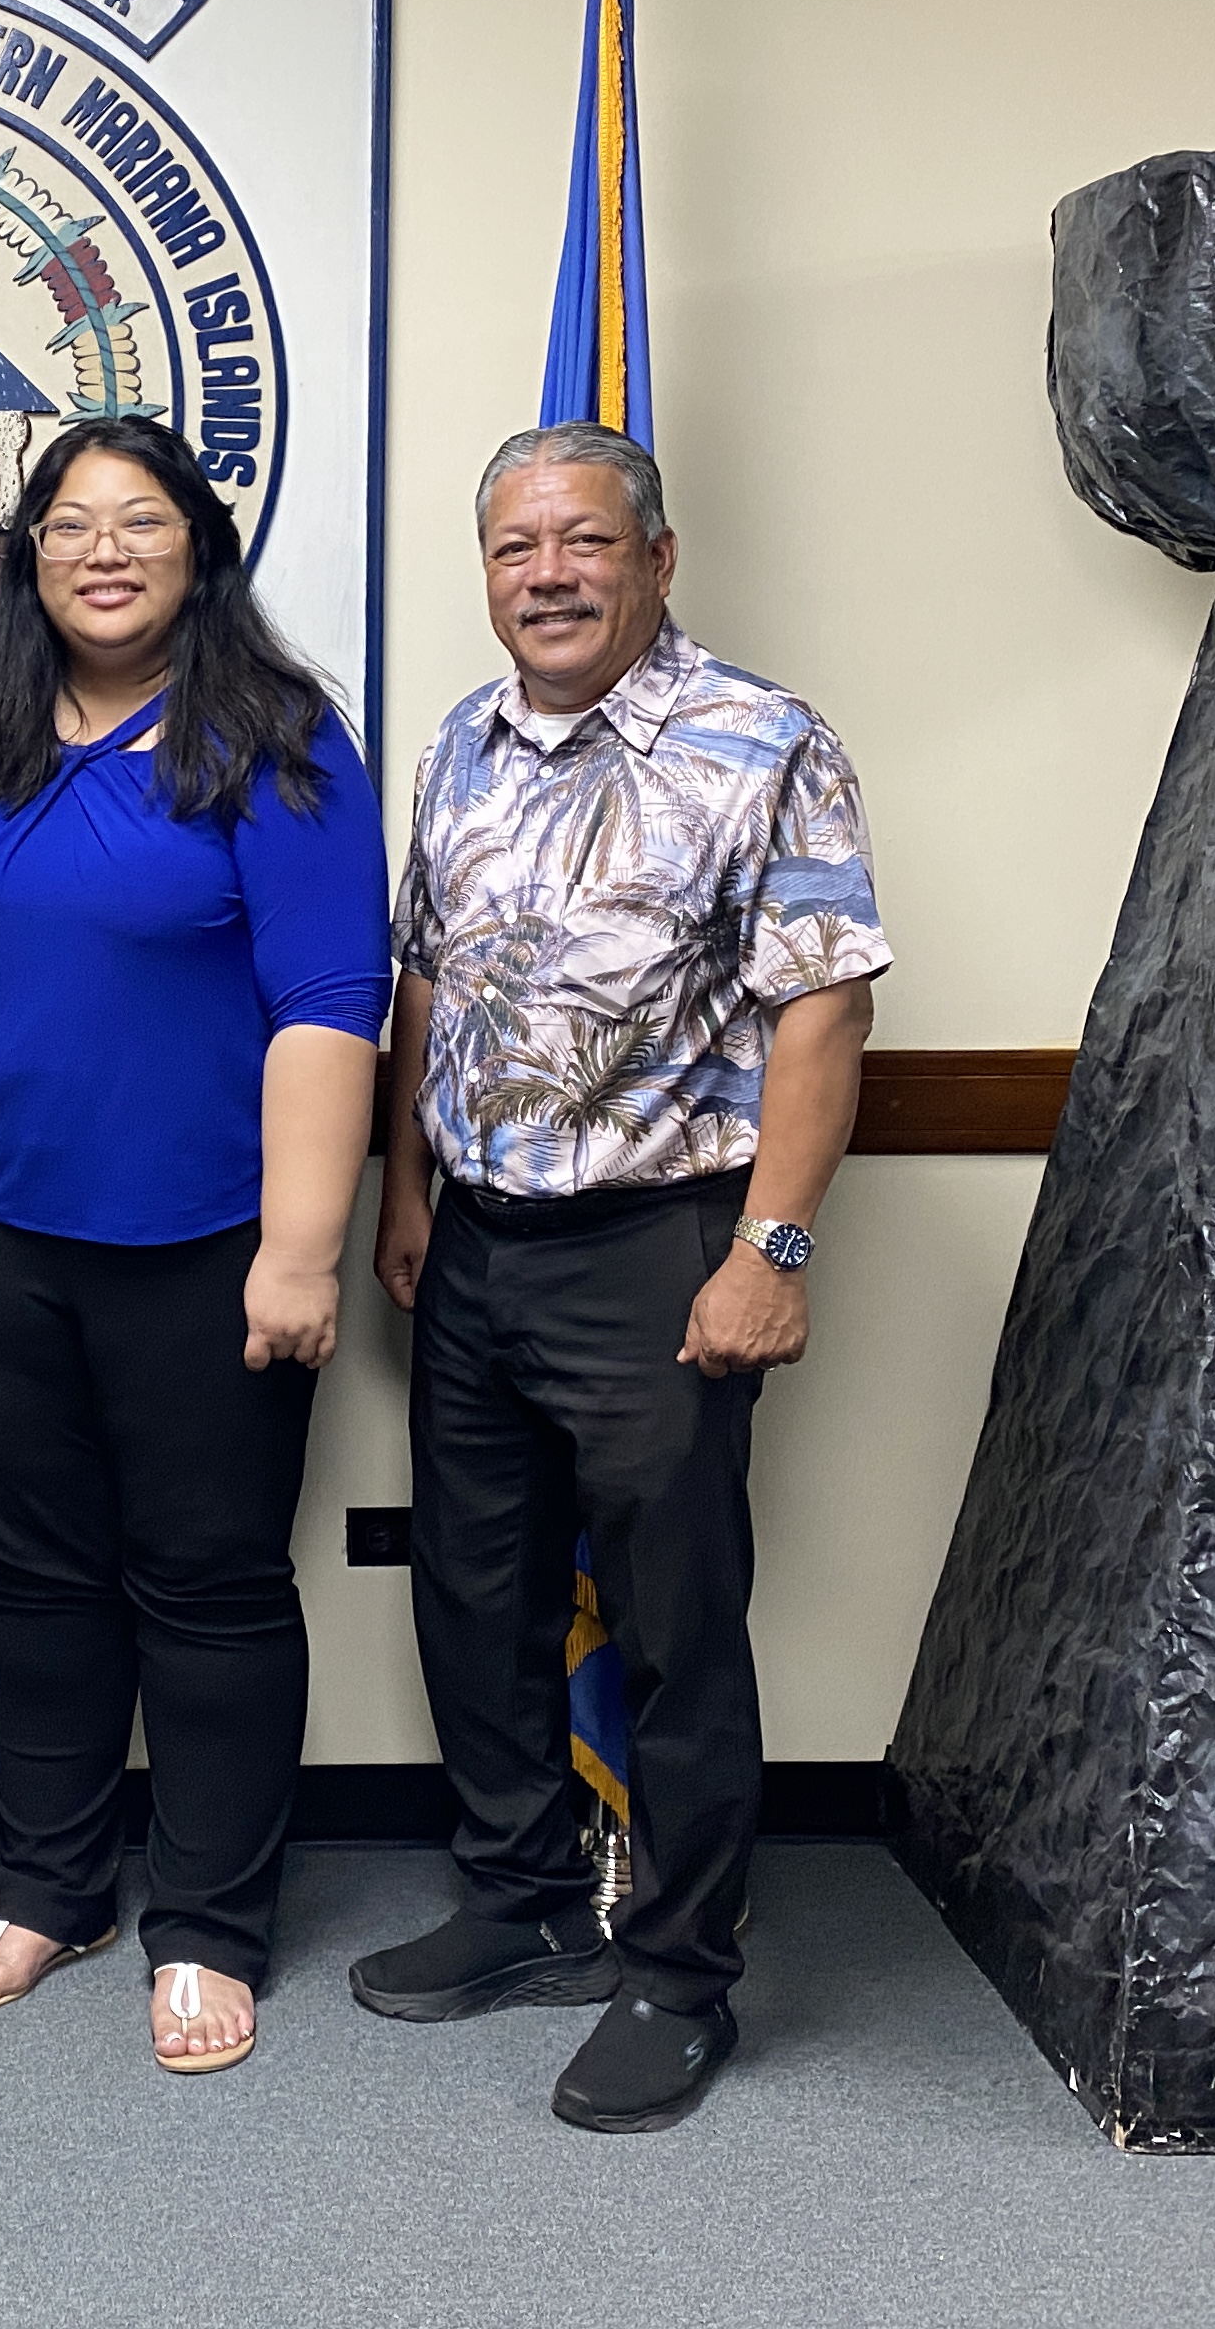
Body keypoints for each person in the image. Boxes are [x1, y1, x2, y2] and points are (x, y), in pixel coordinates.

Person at [358, 420, 885, 2133]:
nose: (548, 575)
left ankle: (676, 1972)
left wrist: (772, 1250)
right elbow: (424, 977)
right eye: (515, 549)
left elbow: (823, 1006)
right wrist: (408, 1187)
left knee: (673, 1631)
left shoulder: (765, 742)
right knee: (478, 1593)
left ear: (659, 559)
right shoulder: (463, 744)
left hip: (665, 1250)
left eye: (583, 543)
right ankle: (517, 1902)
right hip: (482, 1242)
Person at [0, 417, 387, 2077]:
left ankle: (211, 1924)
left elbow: (328, 1001)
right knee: (36, 1578)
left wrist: (303, 1249)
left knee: (211, 1589)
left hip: (213, 1248)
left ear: (197, 550)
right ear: (26, 557)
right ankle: (51, 1889)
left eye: (139, 521)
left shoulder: (278, 743)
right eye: (70, 524)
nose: (103, 550)